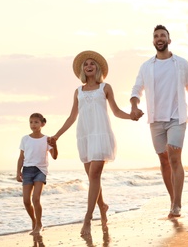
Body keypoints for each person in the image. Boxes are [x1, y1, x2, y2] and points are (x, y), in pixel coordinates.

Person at [49, 50, 140, 236]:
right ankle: (102, 207)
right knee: (92, 179)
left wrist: (131, 116)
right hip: (84, 135)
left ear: (97, 68)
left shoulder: (105, 88)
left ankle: (87, 219)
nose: (89, 66)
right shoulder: (78, 91)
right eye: (86, 64)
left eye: (92, 64)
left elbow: (115, 111)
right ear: (82, 69)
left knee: (95, 175)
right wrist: (57, 135)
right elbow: (72, 116)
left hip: (101, 134)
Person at [130, 25, 188, 218]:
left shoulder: (181, 63)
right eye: (156, 36)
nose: (159, 38)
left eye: (163, 35)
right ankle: (172, 200)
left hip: (177, 117)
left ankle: (177, 204)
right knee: (163, 161)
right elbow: (136, 89)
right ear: (153, 41)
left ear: (169, 40)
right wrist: (134, 106)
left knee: (174, 157)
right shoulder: (146, 66)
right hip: (155, 120)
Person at [16, 113, 58, 235]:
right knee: (26, 201)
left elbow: (54, 156)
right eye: (31, 122)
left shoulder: (47, 139)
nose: (33, 124)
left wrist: (54, 145)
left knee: (36, 198)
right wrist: (18, 172)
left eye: (36, 122)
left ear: (42, 124)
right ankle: (34, 221)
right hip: (27, 170)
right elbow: (21, 157)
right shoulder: (25, 139)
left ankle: (39, 224)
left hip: (40, 170)